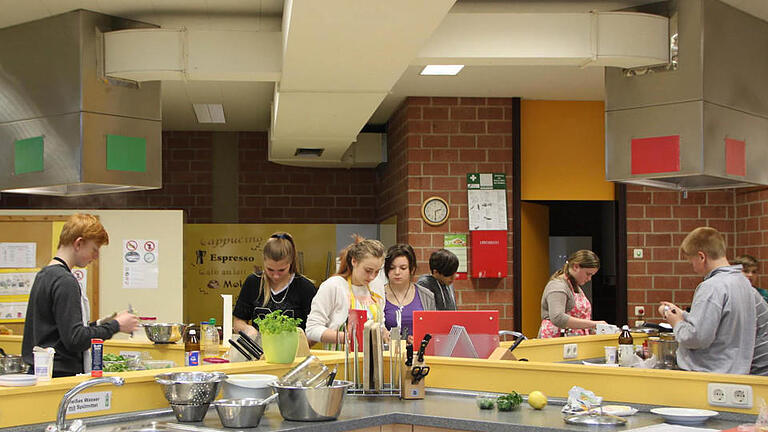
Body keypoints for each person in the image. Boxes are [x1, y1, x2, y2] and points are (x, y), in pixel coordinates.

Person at [22, 214, 139, 377]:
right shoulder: (65, 281)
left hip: (41, 372)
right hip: (60, 376)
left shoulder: (44, 275)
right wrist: (115, 326)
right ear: (78, 243)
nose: (96, 257)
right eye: (94, 250)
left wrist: (102, 323)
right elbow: (75, 339)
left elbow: (60, 332)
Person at [658, 227, 768, 375]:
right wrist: (682, 315)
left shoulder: (711, 287)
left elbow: (697, 338)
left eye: (692, 262)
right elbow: (721, 324)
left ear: (701, 257)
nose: (694, 268)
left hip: (710, 376)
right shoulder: (745, 284)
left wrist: (676, 322)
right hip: (739, 373)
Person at [233, 232, 317, 337]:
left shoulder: (305, 288)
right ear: (263, 261)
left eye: (281, 270)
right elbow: (238, 322)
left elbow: (314, 329)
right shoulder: (253, 282)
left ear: (290, 263)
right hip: (259, 350)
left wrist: (299, 345)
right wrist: (247, 329)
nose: (276, 276)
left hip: (293, 351)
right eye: (270, 269)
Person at [305, 236, 386, 344]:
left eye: (377, 272)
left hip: (370, 357)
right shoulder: (334, 286)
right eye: (368, 270)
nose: (372, 277)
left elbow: (380, 323)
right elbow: (312, 329)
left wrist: (383, 331)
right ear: (354, 261)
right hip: (338, 358)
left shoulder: (377, 286)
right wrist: (348, 338)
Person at [538, 249, 606, 338]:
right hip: (556, 341)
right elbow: (558, 318)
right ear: (575, 266)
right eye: (588, 274)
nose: (589, 279)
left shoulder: (575, 287)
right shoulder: (557, 287)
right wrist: (594, 324)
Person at [383, 244, 436, 340]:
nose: (397, 272)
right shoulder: (378, 295)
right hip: (387, 352)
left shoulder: (426, 296)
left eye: (403, 268)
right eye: (392, 268)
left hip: (417, 352)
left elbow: (433, 331)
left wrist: (420, 339)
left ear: (412, 269)